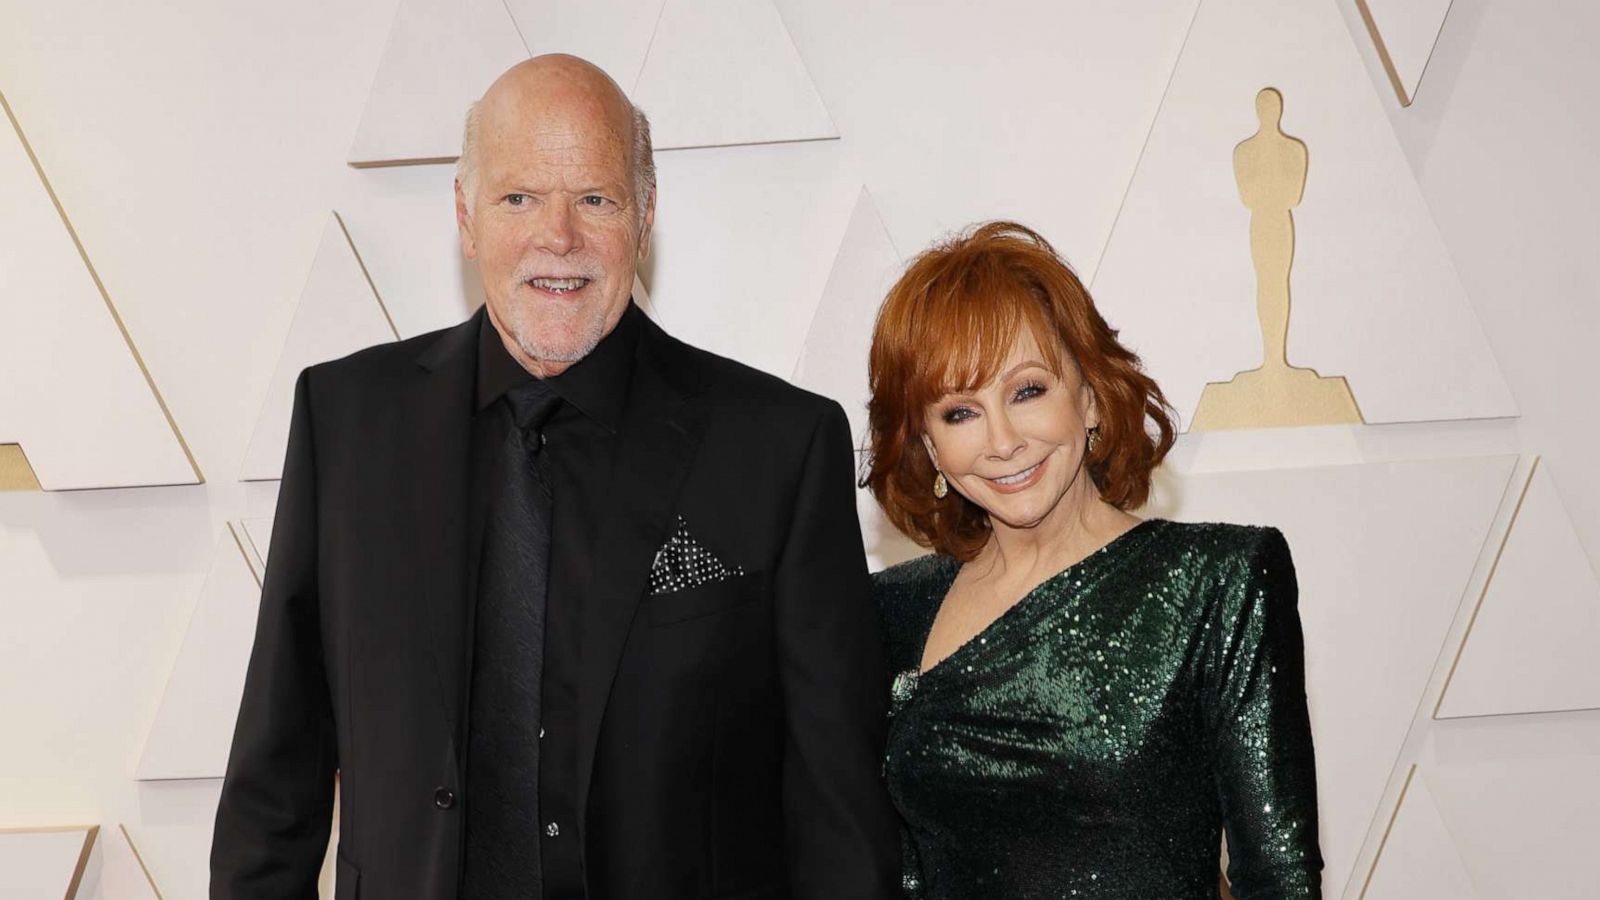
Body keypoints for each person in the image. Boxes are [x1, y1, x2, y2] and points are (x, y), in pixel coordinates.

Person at [211, 54, 899, 900]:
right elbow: (277, 777)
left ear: (645, 215)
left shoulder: (780, 445)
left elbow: (838, 811)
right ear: (466, 218)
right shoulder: (345, 420)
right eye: (519, 198)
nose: (558, 237)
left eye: (595, 199)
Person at [862, 221, 1322, 898]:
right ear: (928, 446)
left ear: (1090, 395)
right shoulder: (890, 610)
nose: (1003, 441)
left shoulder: (1216, 582)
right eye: (960, 412)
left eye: (1027, 391)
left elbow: (1277, 878)